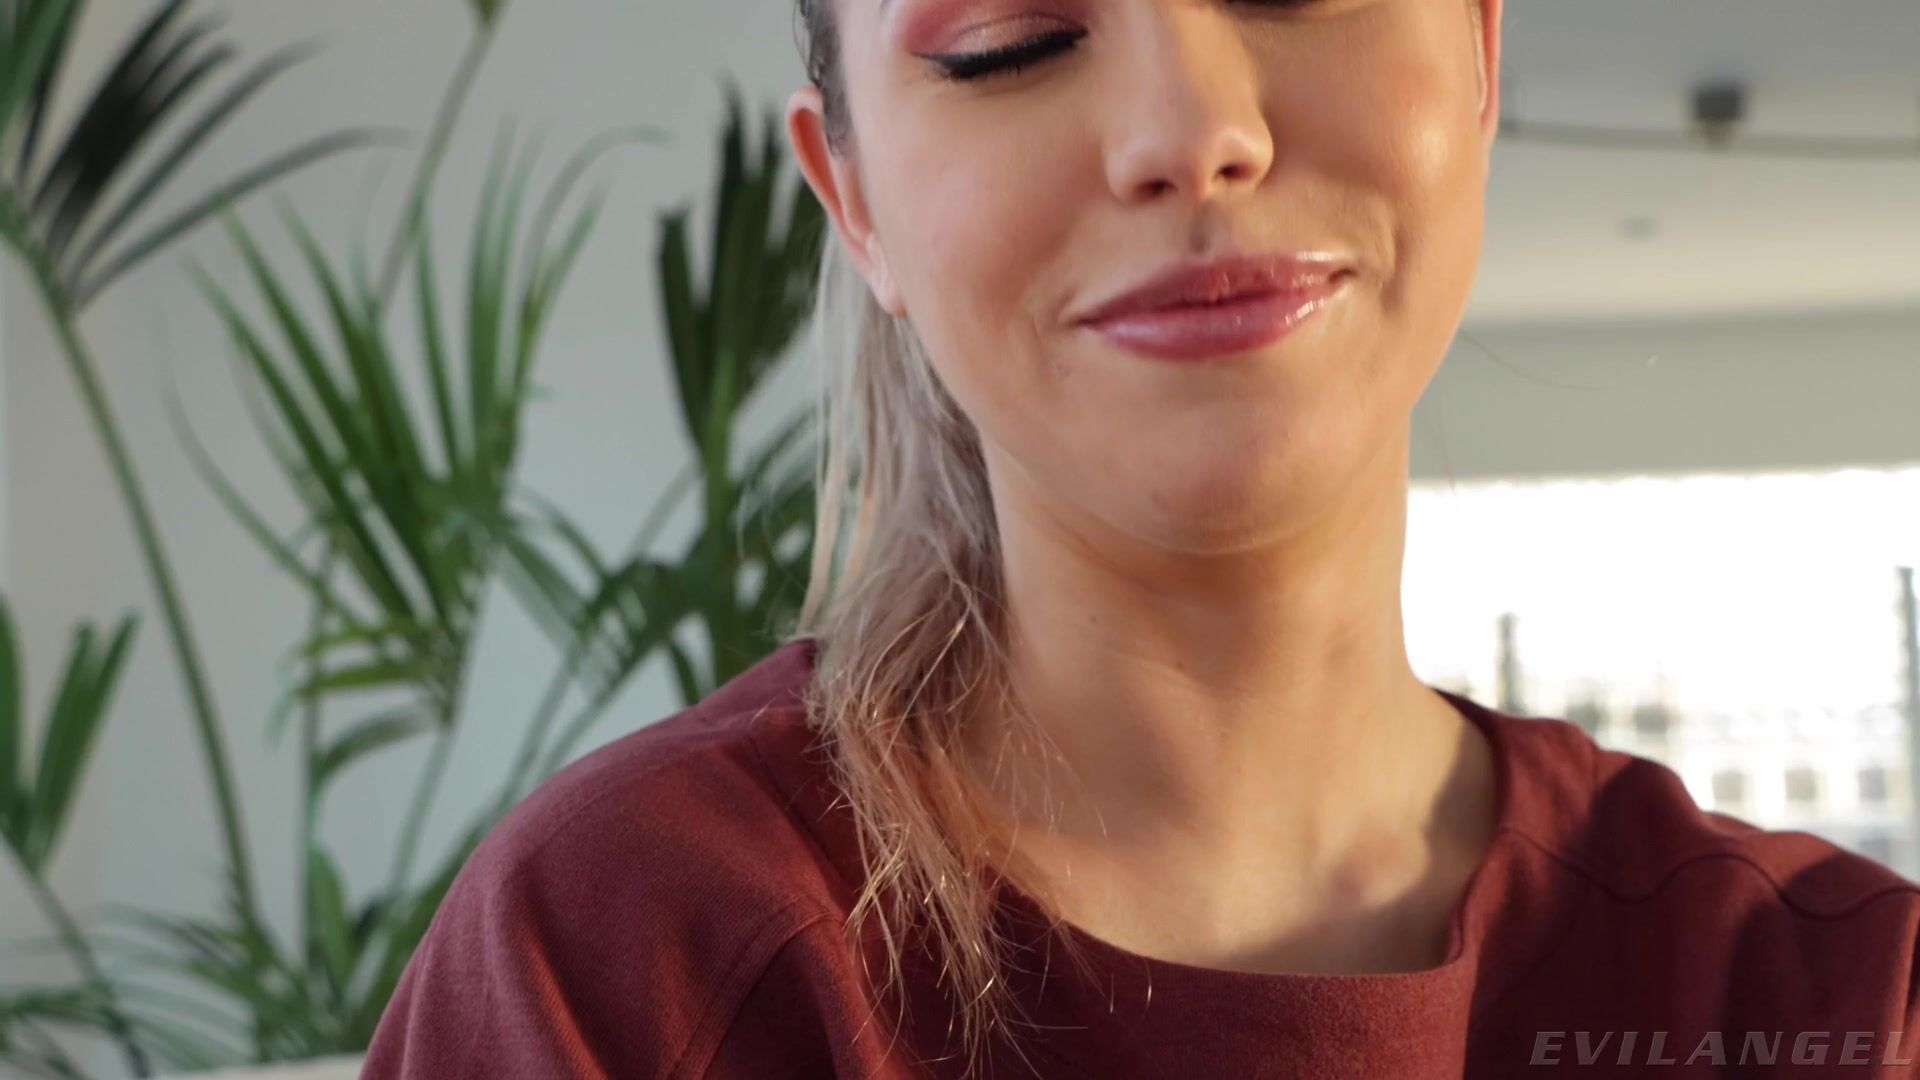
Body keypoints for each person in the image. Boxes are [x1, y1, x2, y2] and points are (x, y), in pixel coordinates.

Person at [361, 0, 1920, 1076]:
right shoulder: (627, 957)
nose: (1193, 131)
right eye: (1011, 42)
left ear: (1481, 55)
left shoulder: (1832, 1001)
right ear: (856, 206)